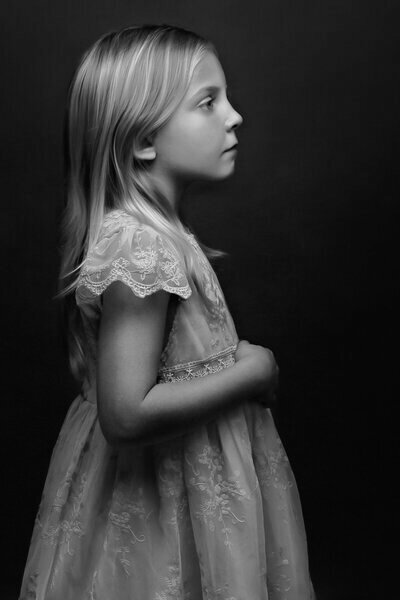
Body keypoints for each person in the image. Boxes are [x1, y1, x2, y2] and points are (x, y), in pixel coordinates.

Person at [19, 24, 316, 600]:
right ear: (142, 141)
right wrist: (250, 373)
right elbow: (126, 414)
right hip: (158, 496)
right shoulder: (142, 246)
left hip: (187, 487)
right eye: (208, 102)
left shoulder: (160, 236)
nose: (234, 116)